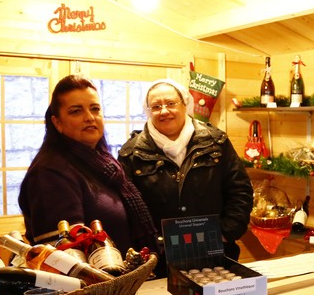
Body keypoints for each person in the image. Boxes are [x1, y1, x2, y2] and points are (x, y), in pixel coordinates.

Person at [118, 78, 252, 276]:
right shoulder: (131, 153)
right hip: (158, 261)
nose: (164, 111)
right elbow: (126, 208)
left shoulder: (216, 142)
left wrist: (225, 233)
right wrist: (149, 245)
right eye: (156, 106)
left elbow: (240, 190)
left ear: (184, 104)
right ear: (148, 111)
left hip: (216, 252)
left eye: (171, 103)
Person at [19, 75, 157, 254]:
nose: (90, 117)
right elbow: (66, 258)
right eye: (76, 111)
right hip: (96, 281)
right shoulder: (50, 173)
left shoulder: (104, 162)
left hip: (126, 276)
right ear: (57, 122)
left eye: (95, 109)